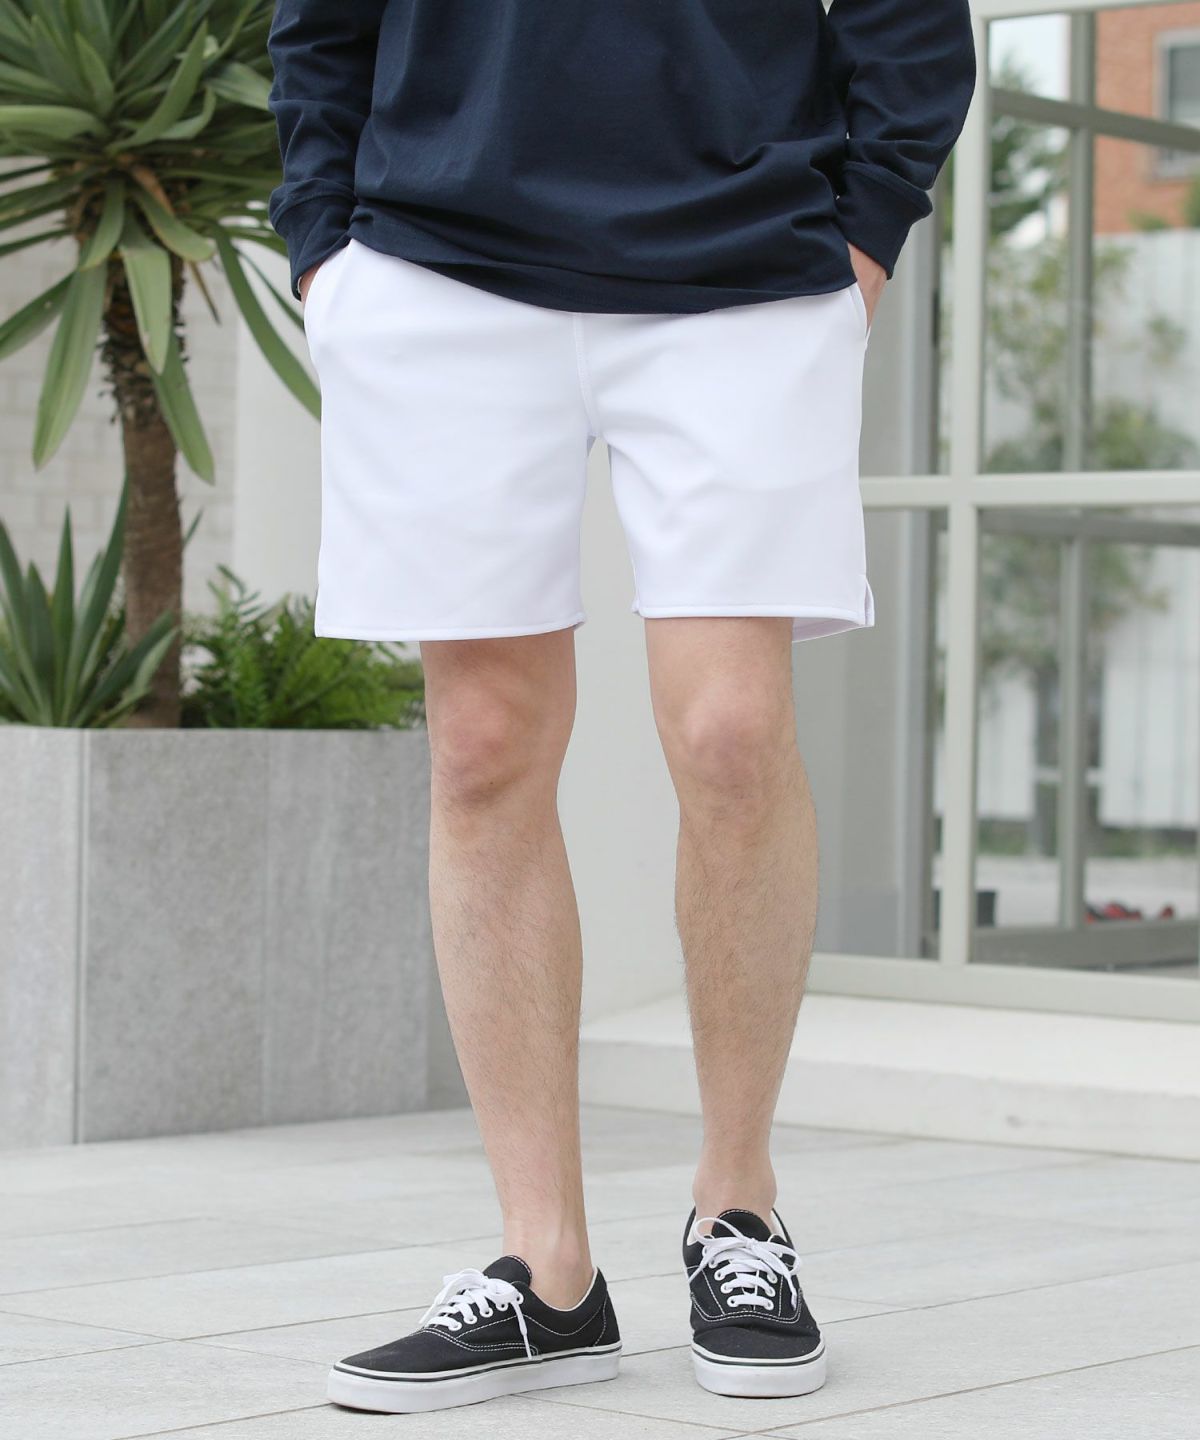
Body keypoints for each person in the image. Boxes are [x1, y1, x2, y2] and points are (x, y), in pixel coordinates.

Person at [267, 0, 976, 1414]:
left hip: (748, 264)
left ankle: (739, 1214)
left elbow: (908, 22)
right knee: (483, 747)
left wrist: (864, 234)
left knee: (731, 734)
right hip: (435, 266)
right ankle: (549, 1272)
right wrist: (322, 245)